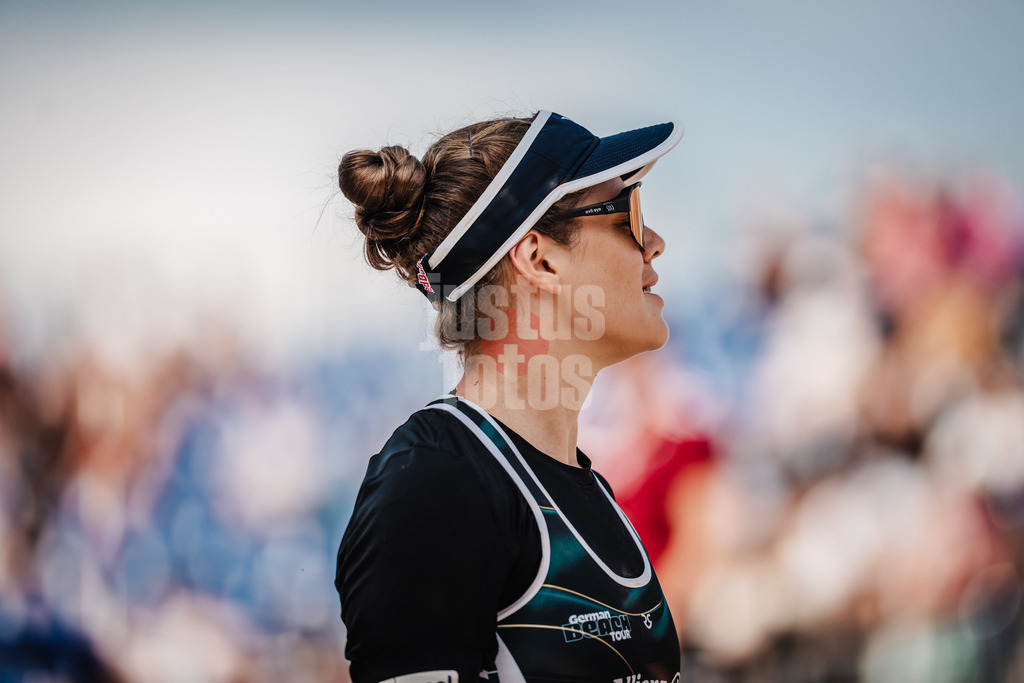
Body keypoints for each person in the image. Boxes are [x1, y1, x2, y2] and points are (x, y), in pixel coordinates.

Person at [334, 110, 684, 682]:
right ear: (539, 257)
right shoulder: (435, 479)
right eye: (628, 212)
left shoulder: (582, 484)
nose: (655, 243)